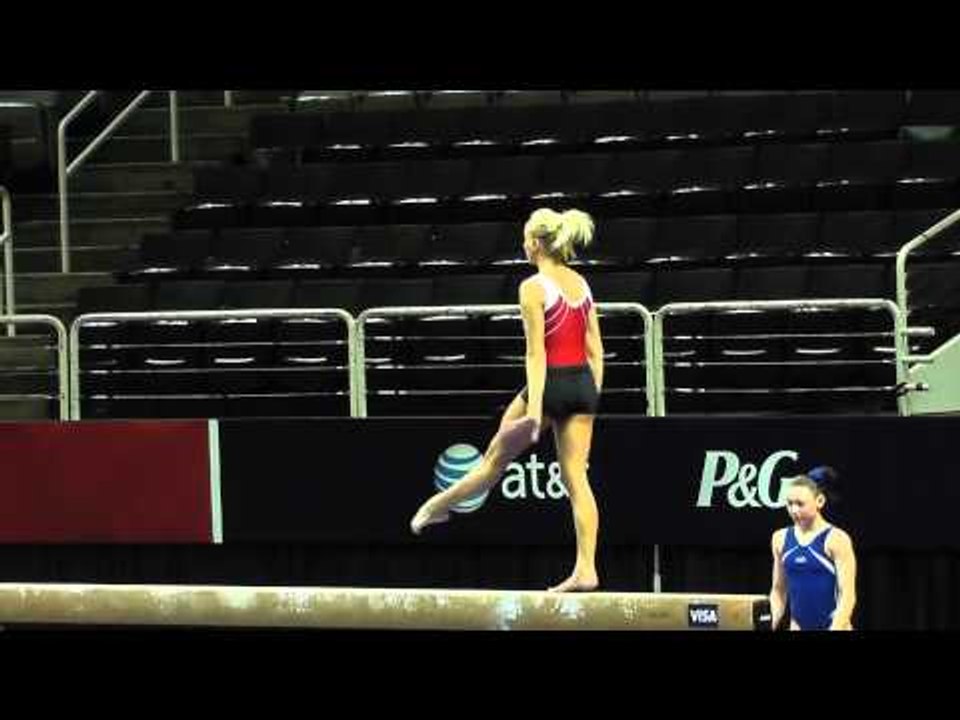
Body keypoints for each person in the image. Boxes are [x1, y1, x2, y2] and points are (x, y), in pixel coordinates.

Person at [410, 207, 604, 593]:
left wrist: (535, 412)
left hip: (549, 387)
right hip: (583, 386)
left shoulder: (533, 287)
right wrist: (590, 399)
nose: (523, 245)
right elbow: (596, 351)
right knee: (577, 480)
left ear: (536, 244)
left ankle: (436, 506)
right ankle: (586, 569)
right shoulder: (581, 284)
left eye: (525, 239)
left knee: (491, 464)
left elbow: (536, 355)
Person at [769, 466, 857, 630]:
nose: (794, 510)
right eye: (790, 504)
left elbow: (848, 596)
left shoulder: (836, 539)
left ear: (820, 501)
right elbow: (778, 590)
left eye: (800, 504)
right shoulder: (779, 539)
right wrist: (772, 622)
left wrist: (835, 627)